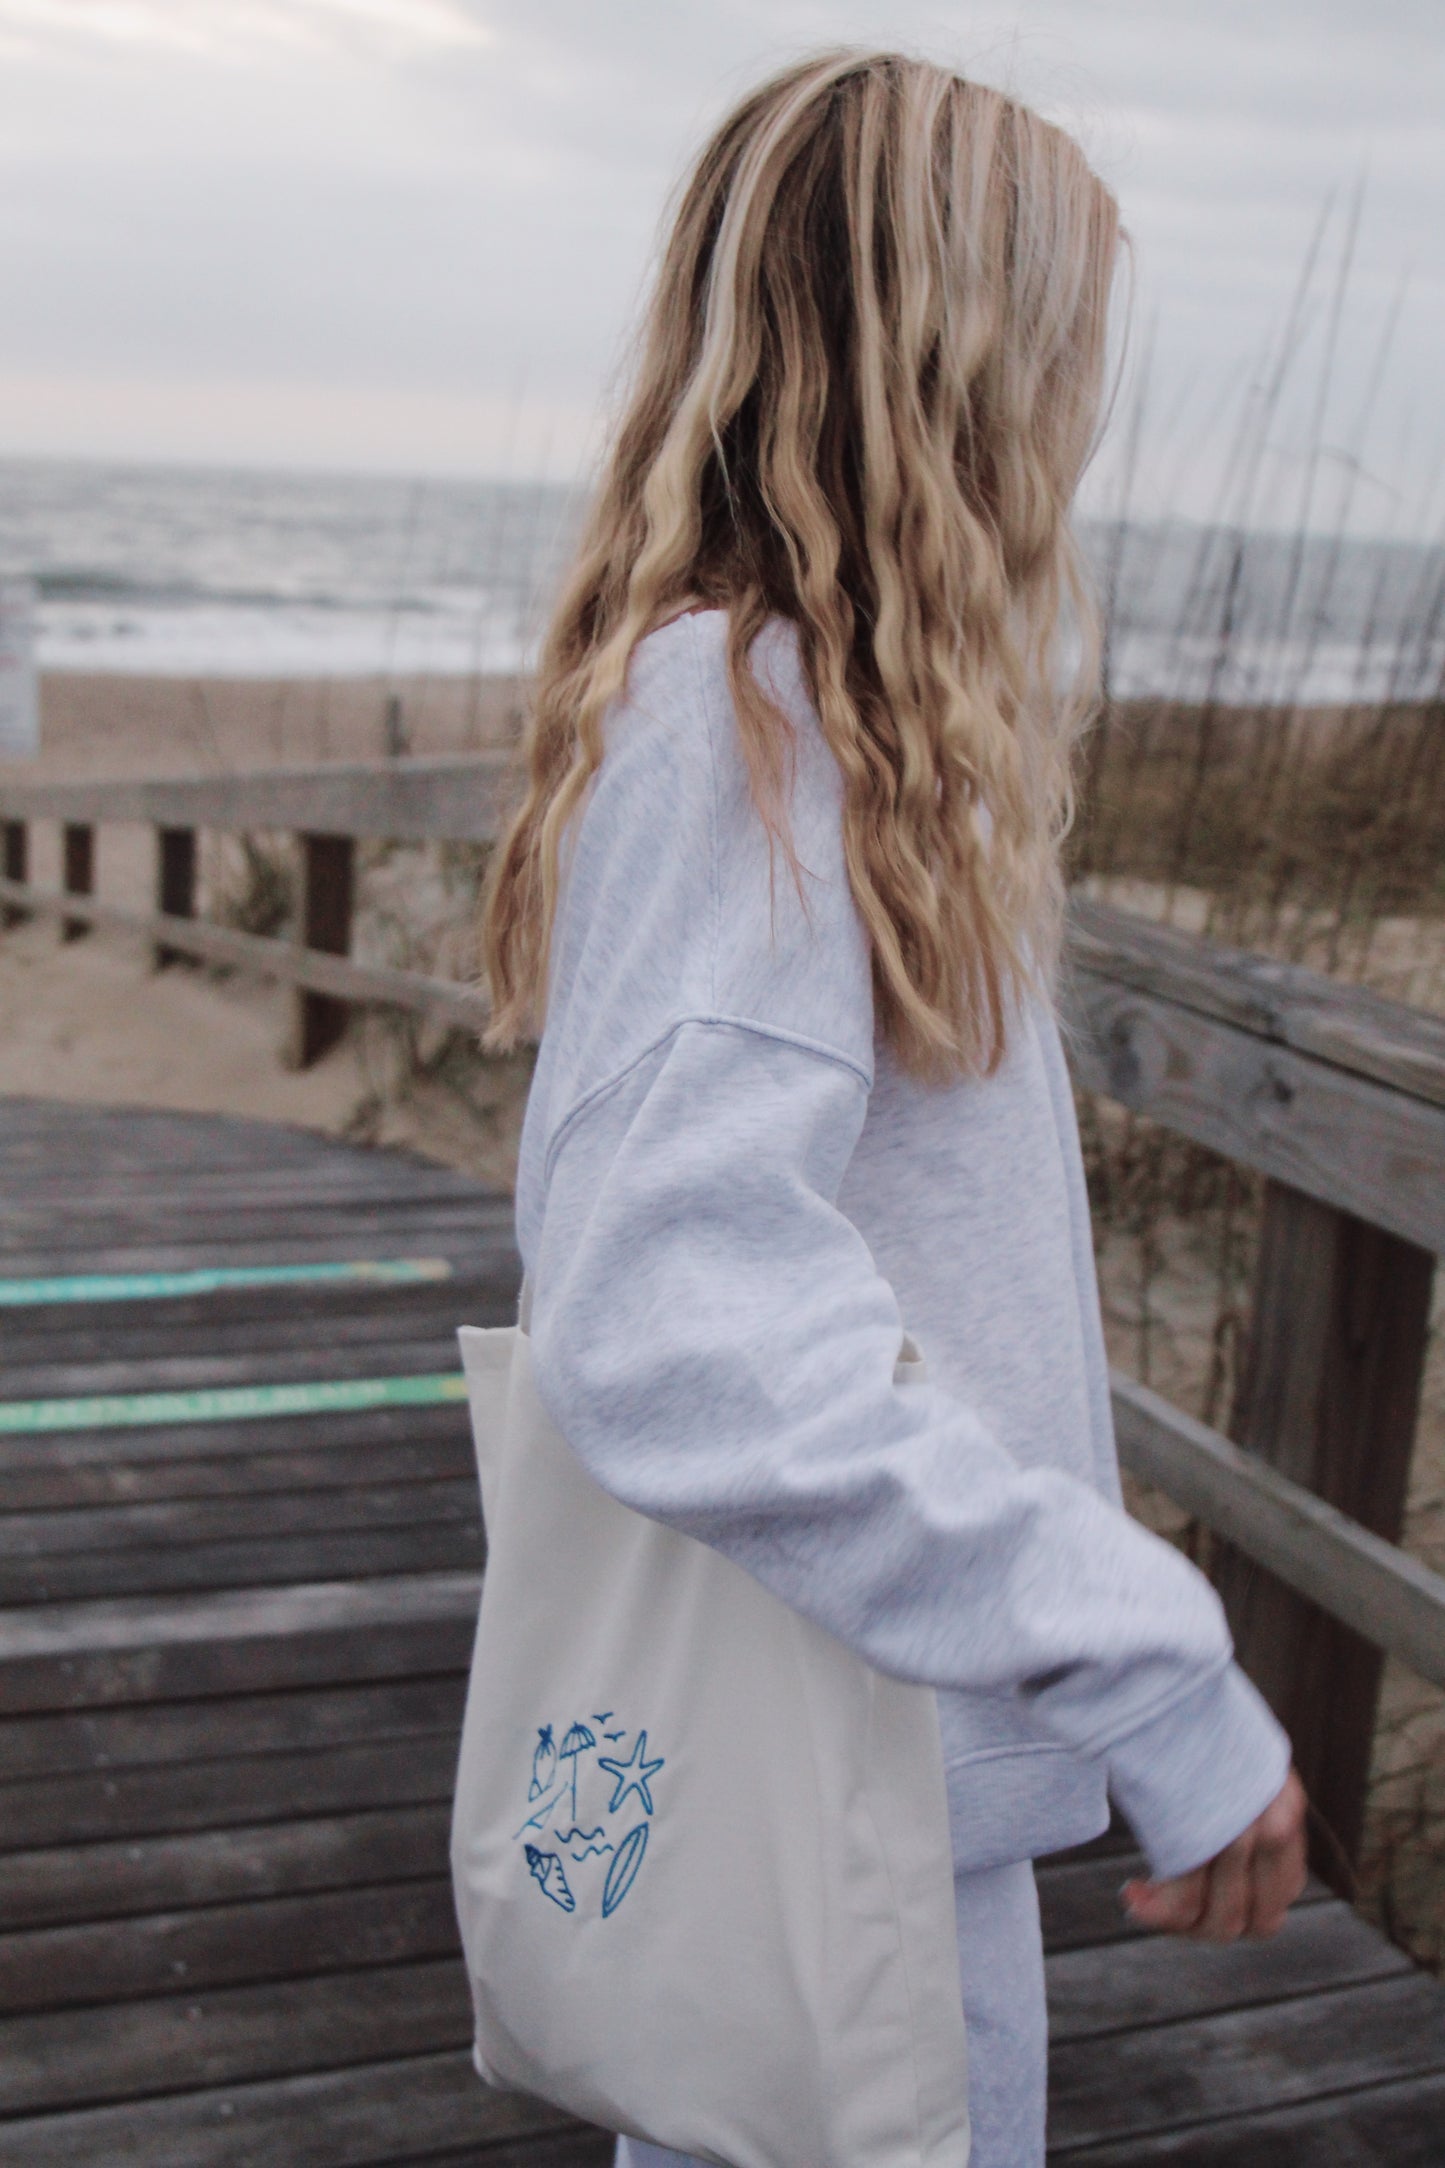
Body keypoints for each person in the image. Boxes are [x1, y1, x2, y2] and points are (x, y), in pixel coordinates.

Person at [481, 49, 1307, 2168]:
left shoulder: (791, 729)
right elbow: (682, 1313)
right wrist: (1141, 1648)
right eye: (1058, 366)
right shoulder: (742, 734)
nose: (1076, 430)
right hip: (823, 1802)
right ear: (944, 375)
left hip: (875, 1763)